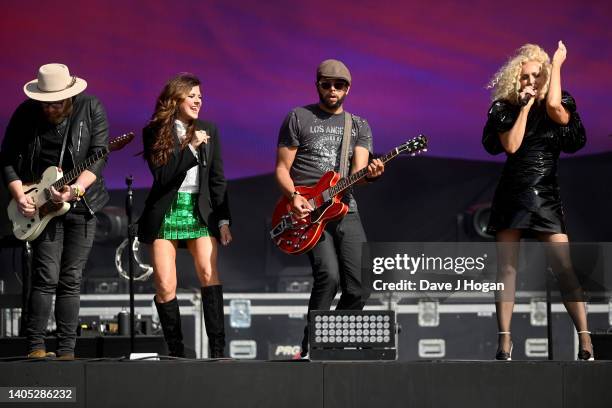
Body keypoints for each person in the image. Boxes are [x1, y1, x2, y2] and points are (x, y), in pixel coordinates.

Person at [483, 42, 593, 360]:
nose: (531, 81)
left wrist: (556, 65)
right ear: (516, 79)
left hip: (545, 193)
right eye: (526, 77)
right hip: (512, 194)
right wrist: (525, 107)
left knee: (564, 266)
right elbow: (512, 146)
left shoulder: (559, 102)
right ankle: (505, 342)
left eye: (537, 76)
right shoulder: (504, 108)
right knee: (507, 270)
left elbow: (558, 110)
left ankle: (585, 340)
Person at [275, 59, 384, 358]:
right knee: (329, 276)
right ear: (318, 85)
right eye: (327, 84)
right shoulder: (298, 117)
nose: (333, 90)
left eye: (339, 85)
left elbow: (358, 173)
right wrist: (294, 195)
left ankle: (328, 339)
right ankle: (312, 347)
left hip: (344, 208)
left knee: (360, 286)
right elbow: (282, 169)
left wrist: (371, 174)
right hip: (307, 210)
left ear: (348, 89)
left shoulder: (359, 126)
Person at [1, 63, 110, 360]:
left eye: (57, 103)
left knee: (70, 279)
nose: (51, 109)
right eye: (45, 104)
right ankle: (35, 346)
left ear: (70, 97)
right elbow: (6, 158)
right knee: (45, 275)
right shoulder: (26, 113)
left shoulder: (90, 108)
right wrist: (19, 194)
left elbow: (98, 157)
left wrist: (75, 190)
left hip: (80, 203)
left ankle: (66, 352)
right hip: (41, 205)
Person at [138, 73, 232, 358]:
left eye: (200, 97)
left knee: (207, 271)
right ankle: (176, 353)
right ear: (176, 98)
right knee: (166, 285)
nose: (197, 101)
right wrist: (191, 147)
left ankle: (217, 350)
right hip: (166, 210)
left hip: (199, 210)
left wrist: (224, 220)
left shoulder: (209, 129)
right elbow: (163, 175)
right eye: (191, 96)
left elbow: (217, 179)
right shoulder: (155, 131)